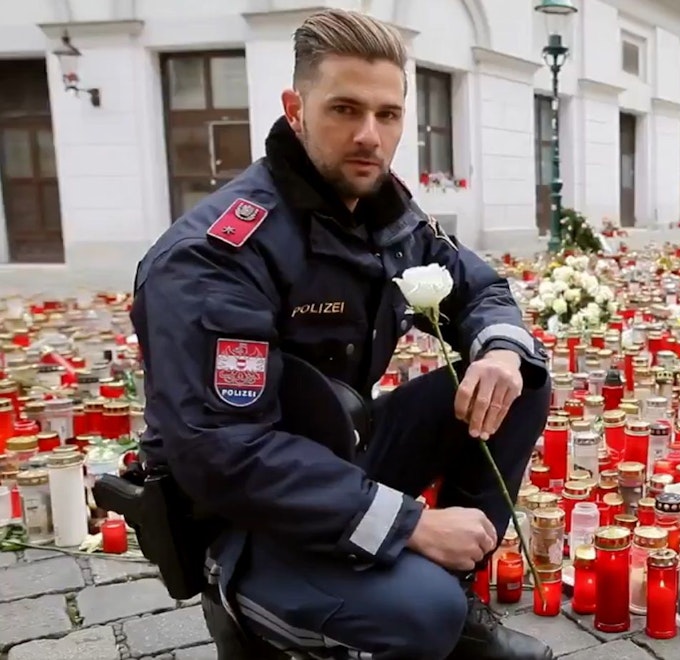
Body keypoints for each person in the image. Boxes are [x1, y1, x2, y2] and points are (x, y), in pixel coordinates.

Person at [130, 9, 553, 660]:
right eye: (344, 110)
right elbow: (223, 453)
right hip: (243, 516)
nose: (369, 136)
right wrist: (410, 523)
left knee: (520, 377)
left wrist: (498, 348)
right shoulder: (216, 256)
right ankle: (257, 609)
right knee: (423, 616)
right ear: (295, 108)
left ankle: (448, 584)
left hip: (338, 456)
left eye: (387, 115)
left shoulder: (386, 216)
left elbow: (479, 286)